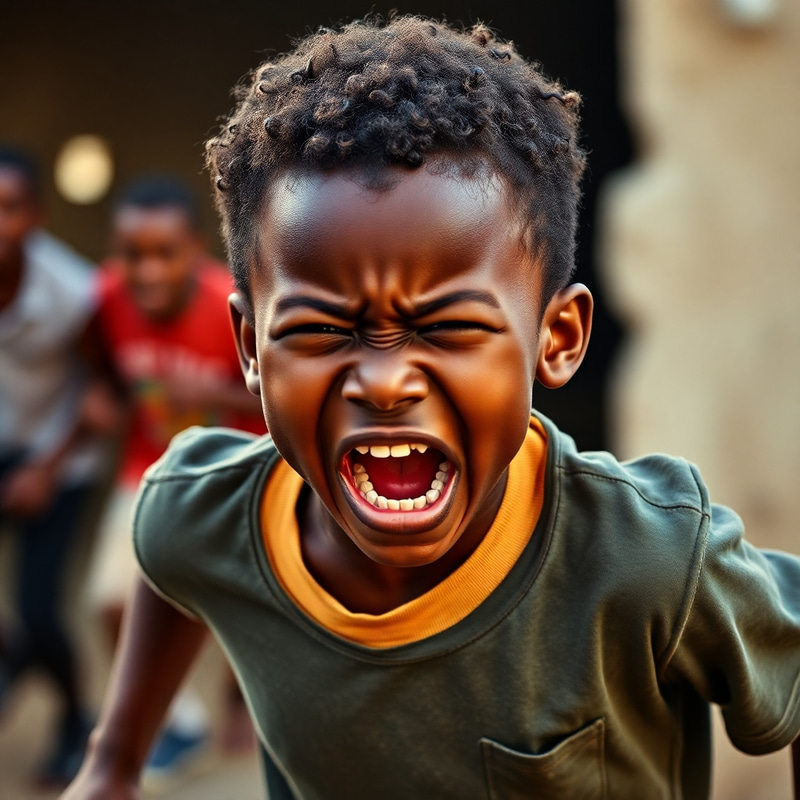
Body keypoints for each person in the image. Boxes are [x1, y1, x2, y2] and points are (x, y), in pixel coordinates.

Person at [61, 15, 800, 800]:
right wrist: (114, 764)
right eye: (319, 330)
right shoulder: (208, 512)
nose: (384, 383)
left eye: (448, 327)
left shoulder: (644, 556)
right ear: (249, 344)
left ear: (557, 336)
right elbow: (174, 549)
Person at [83, 175, 263, 790]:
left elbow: (284, 389)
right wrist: (104, 397)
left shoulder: (231, 304)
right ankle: (179, 719)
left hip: (235, 469)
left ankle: (241, 705)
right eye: (133, 254)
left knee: (242, 607)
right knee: (110, 600)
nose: (148, 271)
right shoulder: (106, 297)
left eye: (165, 254)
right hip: (147, 469)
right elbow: (100, 361)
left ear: (195, 250)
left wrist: (210, 391)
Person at [0, 146, 117, 787]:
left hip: (61, 456)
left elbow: (103, 394)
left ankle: (75, 721)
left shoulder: (70, 291)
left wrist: (46, 467)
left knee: (41, 609)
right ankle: (12, 653)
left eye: (9, 208)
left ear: (36, 217)